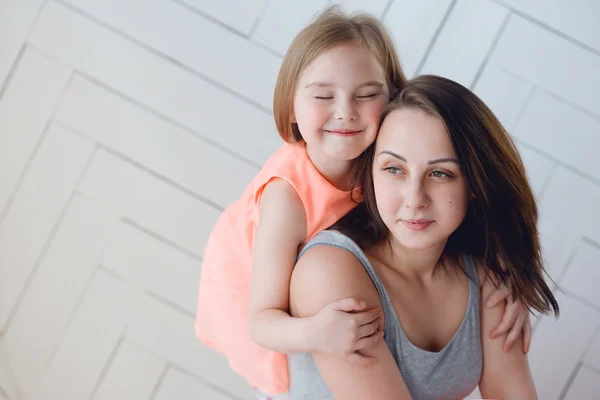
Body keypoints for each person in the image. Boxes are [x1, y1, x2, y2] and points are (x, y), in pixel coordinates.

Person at [194, 7, 531, 398]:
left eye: (367, 95)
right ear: (292, 110)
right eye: (323, 95)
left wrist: (513, 282)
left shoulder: (375, 152)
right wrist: (316, 331)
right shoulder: (286, 198)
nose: (345, 113)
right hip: (262, 306)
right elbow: (262, 322)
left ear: (390, 100)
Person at [288, 75, 559, 400]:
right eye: (393, 169)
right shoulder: (329, 272)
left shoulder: (488, 271)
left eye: (440, 173)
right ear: (370, 172)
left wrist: (513, 270)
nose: (414, 198)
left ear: (474, 185)